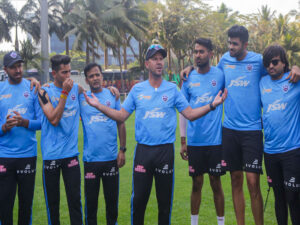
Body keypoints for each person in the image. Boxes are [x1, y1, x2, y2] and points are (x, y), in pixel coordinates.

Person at [83, 44, 227, 225]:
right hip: (143, 153)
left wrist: (212, 105)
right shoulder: (137, 89)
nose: (159, 62)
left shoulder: (172, 89)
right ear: (147, 63)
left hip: (164, 152)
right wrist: (98, 106)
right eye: (155, 59)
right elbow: (121, 116)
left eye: (161, 59)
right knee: (139, 201)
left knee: (164, 203)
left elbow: (189, 114)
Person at [180, 25, 300, 225]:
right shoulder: (225, 61)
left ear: (245, 44)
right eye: (229, 43)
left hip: (252, 131)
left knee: (253, 183)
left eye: (234, 44)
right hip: (230, 131)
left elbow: (279, 69)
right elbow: (208, 73)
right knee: (236, 181)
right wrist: (190, 67)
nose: (230, 47)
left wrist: (296, 67)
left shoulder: (258, 62)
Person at [179, 38, 225, 225]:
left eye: (202, 52)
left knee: (216, 182)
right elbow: (183, 111)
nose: (198, 55)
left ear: (211, 54)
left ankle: (221, 222)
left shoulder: (220, 75)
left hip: (215, 141)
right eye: (196, 52)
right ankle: (194, 223)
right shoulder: (188, 78)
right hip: (195, 141)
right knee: (196, 183)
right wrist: (183, 140)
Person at [38, 55, 84, 225]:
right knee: (53, 205)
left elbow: (92, 93)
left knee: (75, 203)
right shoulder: (44, 91)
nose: (68, 76)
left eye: (69, 71)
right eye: (64, 72)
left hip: (71, 155)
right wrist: (64, 93)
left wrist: (111, 90)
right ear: (54, 73)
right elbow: (53, 119)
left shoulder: (76, 88)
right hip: (51, 156)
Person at [79, 63, 126, 225]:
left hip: (111, 158)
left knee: (112, 205)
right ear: (86, 80)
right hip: (91, 160)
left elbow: (121, 121)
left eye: (97, 74)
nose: (95, 78)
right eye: (91, 76)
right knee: (91, 205)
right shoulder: (81, 98)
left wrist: (122, 150)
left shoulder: (112, 95)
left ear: (102, 76)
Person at [260, 45, 300, 225]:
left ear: (284, 62)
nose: (270, 66)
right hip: (269, 152)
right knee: (279, 198)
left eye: (275, 62)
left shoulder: (295, 79)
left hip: (292, 151)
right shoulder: (262, 83)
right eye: (267, 63)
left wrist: (297, 68)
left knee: (294, 198)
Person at [0, 51, 41, 225]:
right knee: (4, 205)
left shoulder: (33, 87)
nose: (18, 70)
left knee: (26, 205)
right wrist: (3, 127)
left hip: (27, 155)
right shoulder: (0, 89)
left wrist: (24, 122)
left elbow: (41, 123)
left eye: (20, 65)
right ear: (5, 69)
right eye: (13, 67)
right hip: (4, 156)